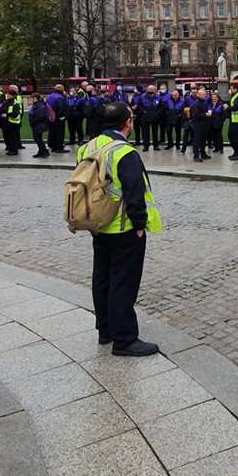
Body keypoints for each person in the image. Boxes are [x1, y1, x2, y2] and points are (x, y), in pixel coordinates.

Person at [79, 102, 161, 356]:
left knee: (102, 278)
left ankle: (105, 329)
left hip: (97, 222)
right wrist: (139, 225)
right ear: (127, 122)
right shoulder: (125, 152)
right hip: (123, 227)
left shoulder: (87, 147)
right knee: (123, 283)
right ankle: (124, 339)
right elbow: (134, 192)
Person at [188, 88, 211, 162]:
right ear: (198, 95)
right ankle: (196, 156)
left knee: (203, 140)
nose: (204, 95)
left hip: (204, 124)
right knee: (197, 140)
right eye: (202, 94)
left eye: (205, 94)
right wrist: (205, 114)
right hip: (197, 124)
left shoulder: (204, 102)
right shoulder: (196, 103)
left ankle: (203, 154)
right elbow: (195, 115)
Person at [46, 84, 68, 153]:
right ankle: (59, 147)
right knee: (60, 132)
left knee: (52, 132)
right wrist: (63, 116)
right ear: (62, 89)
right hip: (58, 118)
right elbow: (61, 109)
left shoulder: (49, 96)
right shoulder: (60, 98)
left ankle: (52, 145)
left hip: (50, 117)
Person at [2, 85, 25, 155]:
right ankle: (11, 149)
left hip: (13, 122)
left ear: (12, 95)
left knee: (13, 138)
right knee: (9, 137)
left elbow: (15, 113)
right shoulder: (7, 101)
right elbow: (3, 109)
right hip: (8, 122)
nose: (7, 95)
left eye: (8, 94)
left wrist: (7, 115)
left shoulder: (15, 103)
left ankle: (14, 151)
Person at [28, 92, 51, 158]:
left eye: (32, 98)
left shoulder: (39, 106)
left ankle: (44, 152)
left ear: (35, 98)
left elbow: (40, 116)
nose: (31, 100)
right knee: (39, 139)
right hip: (37, 125)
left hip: (38, 125)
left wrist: (33, 121)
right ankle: (41, 152)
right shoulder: (37, 105)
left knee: (38, 139)